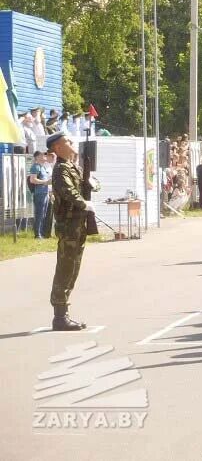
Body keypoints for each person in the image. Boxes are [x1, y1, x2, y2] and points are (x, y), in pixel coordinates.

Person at [46, 132, 96, 331]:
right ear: (57, 148)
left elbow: (87, 185)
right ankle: (59, 316)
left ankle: (64, 312)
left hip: (78, 224)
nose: (71, 143)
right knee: (66, 268)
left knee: (73, 267)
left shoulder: (73, 167)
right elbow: (68, 192)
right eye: (67, 141)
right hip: (69, 225)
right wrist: (85, 204)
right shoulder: (60, 169)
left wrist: (91, 182)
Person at [29, 151, 53, 239]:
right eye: (42, 155)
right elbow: (32, 180)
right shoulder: (35, 166)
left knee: (43, 214)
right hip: (39, 194)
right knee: (39, 214)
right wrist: (45, 182)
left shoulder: (42, 167)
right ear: (37, 157)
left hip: (45, 193)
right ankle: (37, 234)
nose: (45, 156)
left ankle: (41, 233)